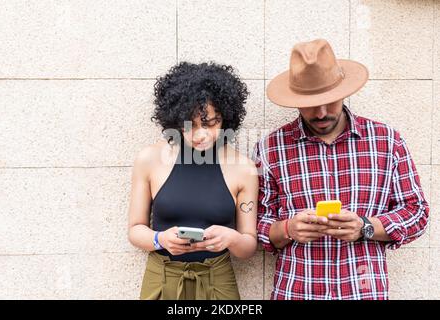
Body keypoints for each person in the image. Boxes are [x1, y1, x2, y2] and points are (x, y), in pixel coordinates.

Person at [253, 39, 429, 300]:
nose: (322, 112)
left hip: (363, 292)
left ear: (344, 92)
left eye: (330, 100)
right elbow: (256, 223)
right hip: (297, 290)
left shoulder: (386, 140)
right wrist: (288, 229)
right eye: (311, 103)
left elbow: (417, 213)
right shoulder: (271, 146)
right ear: (295, 100)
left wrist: (366, 227)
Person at [128, 62, 258, 300]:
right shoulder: (149, 159)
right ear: (176, 122)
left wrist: (231, 238)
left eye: (211, 123)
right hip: (162, 277)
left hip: (217, 279)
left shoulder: (244, 169)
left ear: (226, 119)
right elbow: (135, 230)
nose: (201, 135)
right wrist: (160, 239)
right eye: (191, 125)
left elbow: (249, 245)